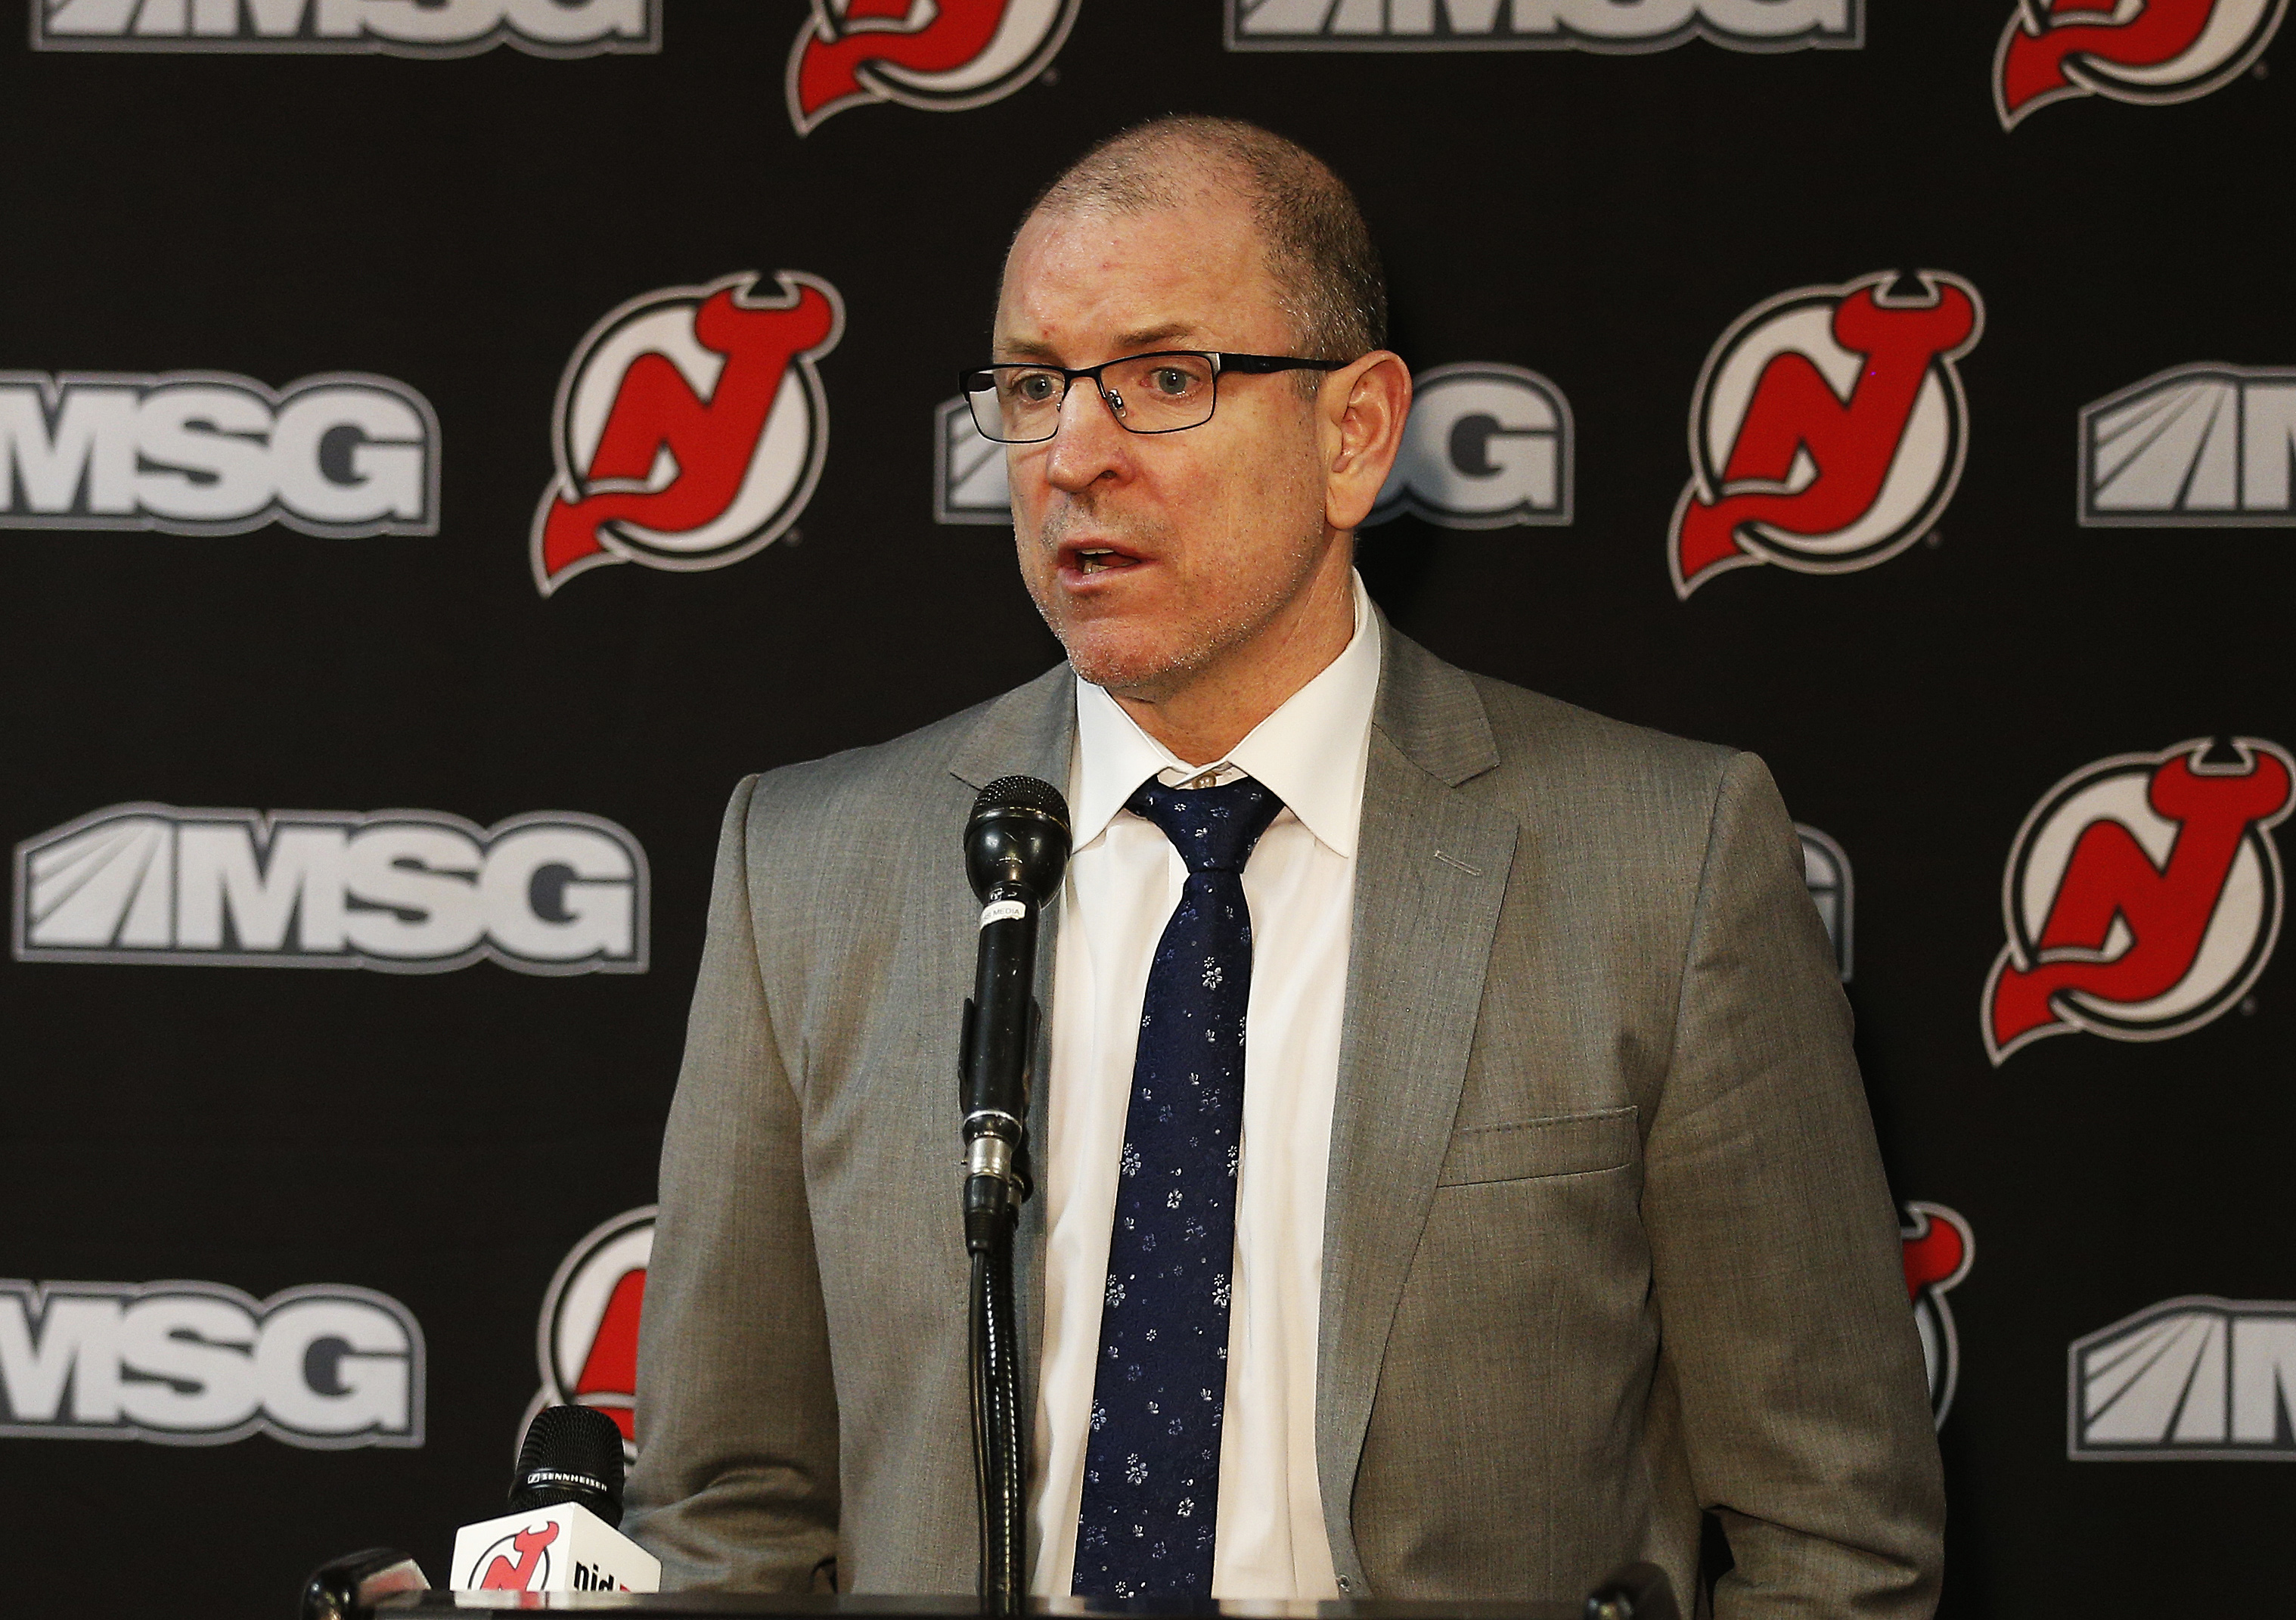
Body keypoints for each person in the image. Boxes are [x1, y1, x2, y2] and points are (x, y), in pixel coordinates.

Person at [624, 116, 1944, 1615]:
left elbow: (1832, 1530)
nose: (1074, 457)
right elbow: (726, 1503)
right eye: (1032, 385)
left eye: (1166, 380)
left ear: (1354, 435)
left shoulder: (1667, 863)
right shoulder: (805, 872)